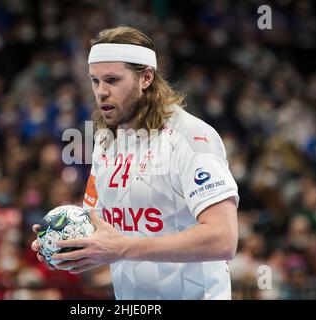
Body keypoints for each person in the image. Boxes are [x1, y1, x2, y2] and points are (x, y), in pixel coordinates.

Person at [31, 26, 239, 300]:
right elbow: (101, 225)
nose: (101, 92)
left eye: (112, 80)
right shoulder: (106, 140)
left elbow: (223, 238)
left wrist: (123, 249)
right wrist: (63, 242)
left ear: (146, 77)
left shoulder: (191, 138)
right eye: (95, 81)